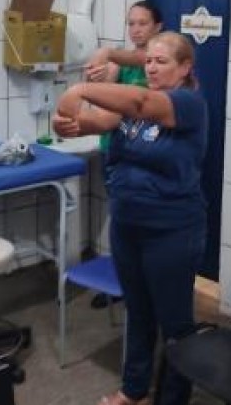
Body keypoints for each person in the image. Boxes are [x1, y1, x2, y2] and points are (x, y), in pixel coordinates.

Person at [54, 31, 206, 405]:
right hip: (127, 223)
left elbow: (139, 102)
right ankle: (134, 391)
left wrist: (80, 90)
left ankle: (173, 399)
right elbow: (96, 122)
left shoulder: (187, 103)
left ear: (185, 68)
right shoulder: (134, 100)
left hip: (170, 229)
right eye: (148, 61)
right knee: (137, 311)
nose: (151, 68)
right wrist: (67, 123)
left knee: (174, 321)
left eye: (162, 62)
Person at [84, 0, 163, 309]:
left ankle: (142, 286)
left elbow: (138, 59)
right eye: (131, 23)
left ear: (158, 27)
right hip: (113, 150)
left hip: (140, 155)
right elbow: (104, 90)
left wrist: (108, 53)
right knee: (121, 219)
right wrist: (96, 77)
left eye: (143, 23)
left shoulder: (157, 63)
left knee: (141, 222)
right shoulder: (122, 61)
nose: (136, 29)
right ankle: (122, 282)